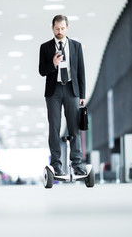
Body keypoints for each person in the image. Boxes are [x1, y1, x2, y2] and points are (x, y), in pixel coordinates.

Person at [39, 15, 86, 176]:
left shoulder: (76, 46)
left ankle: (77, 162)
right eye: (57, 28)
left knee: (75, 128)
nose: (60, 32)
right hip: (54, 91)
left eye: (62, 28)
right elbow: (41, 71)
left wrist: (82, 94)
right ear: (52, 28)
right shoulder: (45, 47)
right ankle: (56, 164)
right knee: (54, 128)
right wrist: (52, 64)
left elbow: (81, 72)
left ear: (67, 28)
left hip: (72, 90)